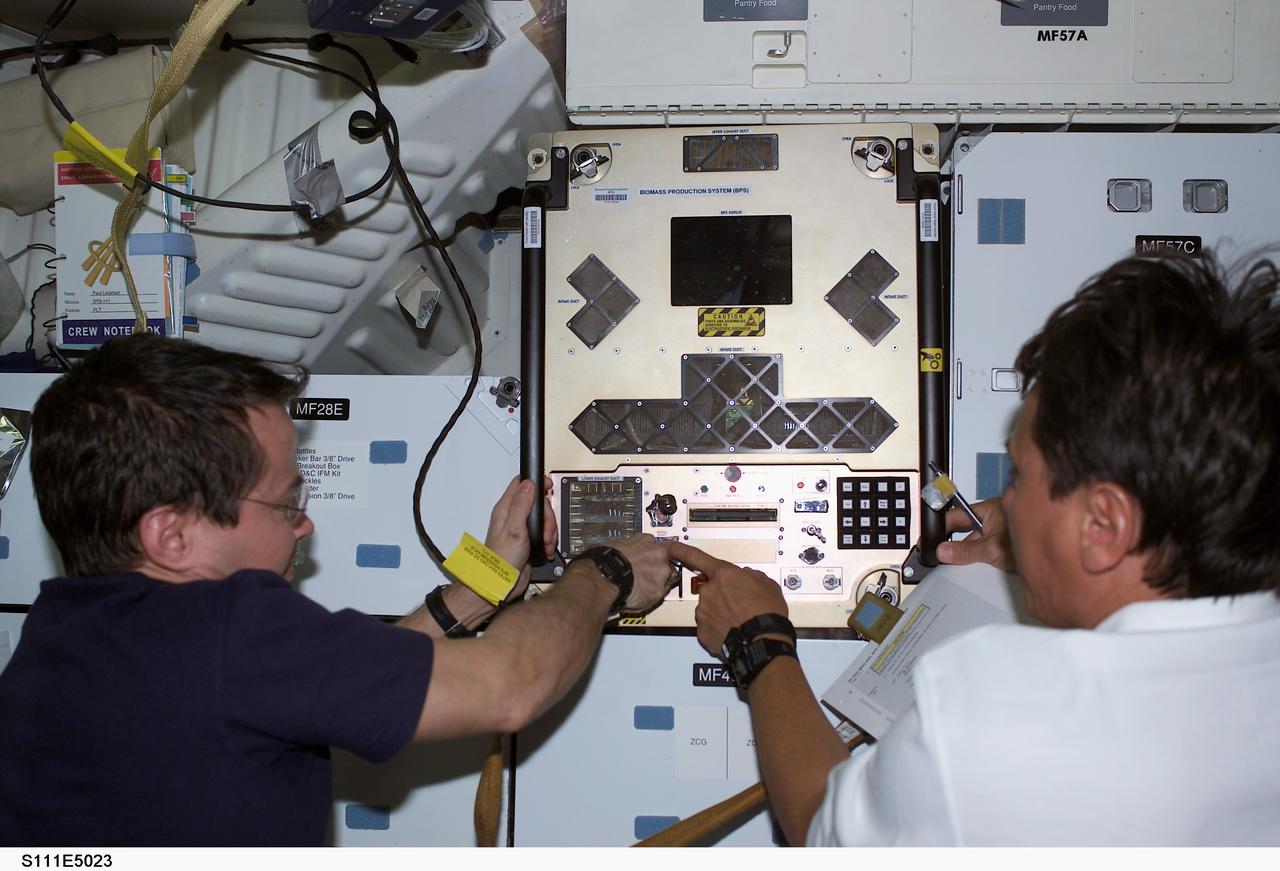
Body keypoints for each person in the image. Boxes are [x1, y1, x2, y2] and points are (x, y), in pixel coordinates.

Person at [679, 251, 1280, 846]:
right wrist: (1056, 553)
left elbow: (823, 828)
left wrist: (758, 640)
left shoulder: (1000, 710)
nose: (1009, 505)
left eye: (1020, 477)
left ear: (1104, 525)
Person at [0, 333, 675, 846]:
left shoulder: (55, 642)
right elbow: (510, 683)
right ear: (169, 535)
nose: (304, 522)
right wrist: (604, 573)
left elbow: (355, 676)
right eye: (285, 503)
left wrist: (484, 582)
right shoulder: (231, 630)